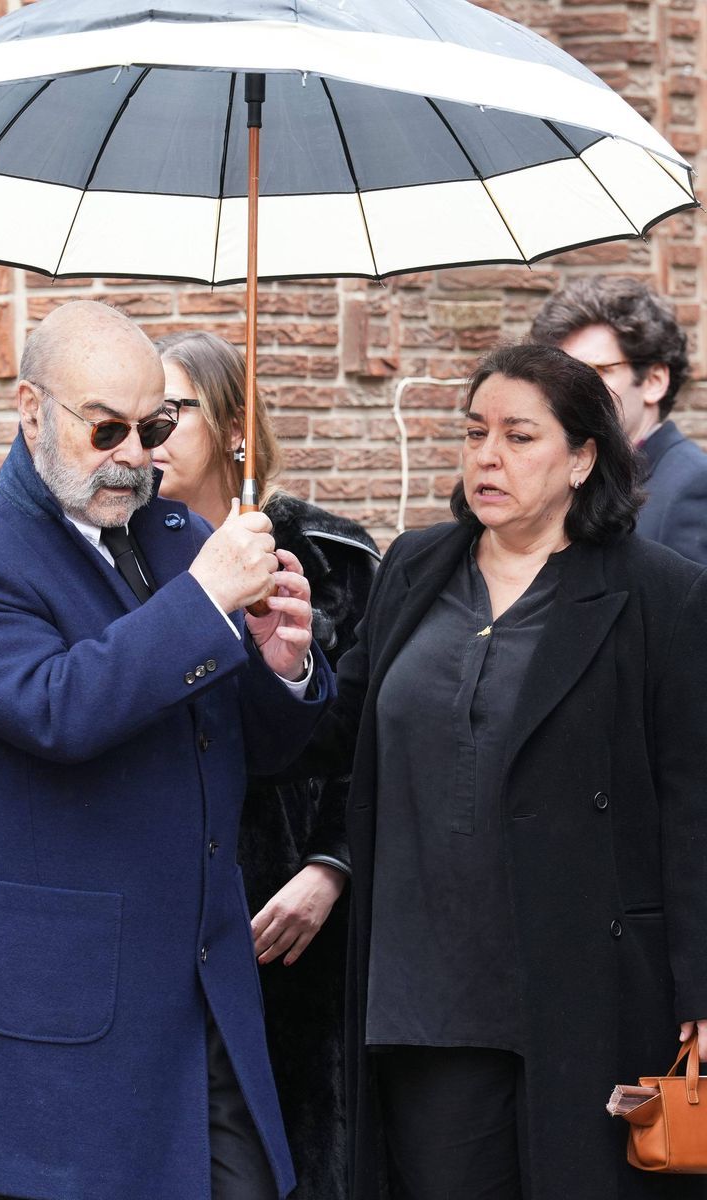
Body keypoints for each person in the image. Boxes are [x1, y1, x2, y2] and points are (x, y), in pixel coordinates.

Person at [0, 301, 334, 1200]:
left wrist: (284, 667)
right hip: (59, 1024)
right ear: (31, 410)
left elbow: (244, 745)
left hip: (200, 998)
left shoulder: (177, 536)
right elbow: (59, 710)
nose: (135, 456)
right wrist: (205, 604)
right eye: (107, 428)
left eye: (155, 427)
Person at [301, 343, 707, 1200]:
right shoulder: (414, 567)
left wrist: (700, 986)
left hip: (586, 985)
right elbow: (338, 738)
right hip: (428, 985)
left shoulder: (660, 594)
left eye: (520, 436)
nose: (488, 455)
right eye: (475, 431)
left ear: (583, 457)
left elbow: (691, 804)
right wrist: (291, 664)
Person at [152, 330, 380, 1200]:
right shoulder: (130, 561)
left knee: (302, 1144)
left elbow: (382, 738)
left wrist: (333, 866)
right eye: (142, 419)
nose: (151, 436)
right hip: (178, 907)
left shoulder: (338, 558)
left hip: (301, 918)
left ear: (234, 426)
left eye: (172, 414)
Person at [530, 275, 707, 563]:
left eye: (596, 371)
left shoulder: (693, 486)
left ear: (654, 381)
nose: (573, 391)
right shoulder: (577, 477)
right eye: (562, 376)